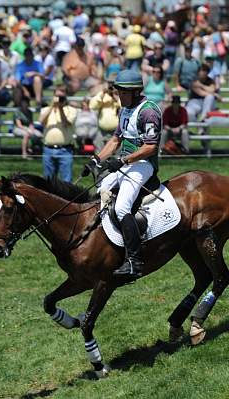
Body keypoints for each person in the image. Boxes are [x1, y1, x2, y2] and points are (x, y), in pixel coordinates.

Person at [81, 69, 163, 278]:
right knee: (101, 189)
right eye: (118, 92)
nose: (119, 96)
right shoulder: (125, 109)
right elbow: (116, 140)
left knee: (121, 206)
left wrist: (123, 160)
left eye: (123, 93)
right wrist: (95, 161)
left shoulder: (148, 112)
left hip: (143, 164)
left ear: (135, 92)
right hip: (126, 164)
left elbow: (150, 147)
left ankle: (134, 260)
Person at [39, 86, 78, 182]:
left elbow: (66, 123)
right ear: (53, 96)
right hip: (48, 149)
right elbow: (41, 121)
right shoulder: (46, 109)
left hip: (65, 150)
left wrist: (60, 108)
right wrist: (52, 106)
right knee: (48, 181)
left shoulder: (71, 110)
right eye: (57, 95)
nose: (59, 98)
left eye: (62, 96)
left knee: (66, 180)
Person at [89, 81, 121, 152]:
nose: (111, 86)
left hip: (116, 132)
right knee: (99, 153)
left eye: (113, 84)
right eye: (110, 83)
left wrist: (115, 96)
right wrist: (103, 94)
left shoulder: (121, 94)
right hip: (101, 131)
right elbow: (92, 106)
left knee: (117, 154)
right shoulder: (102, 94)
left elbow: (125, 107)